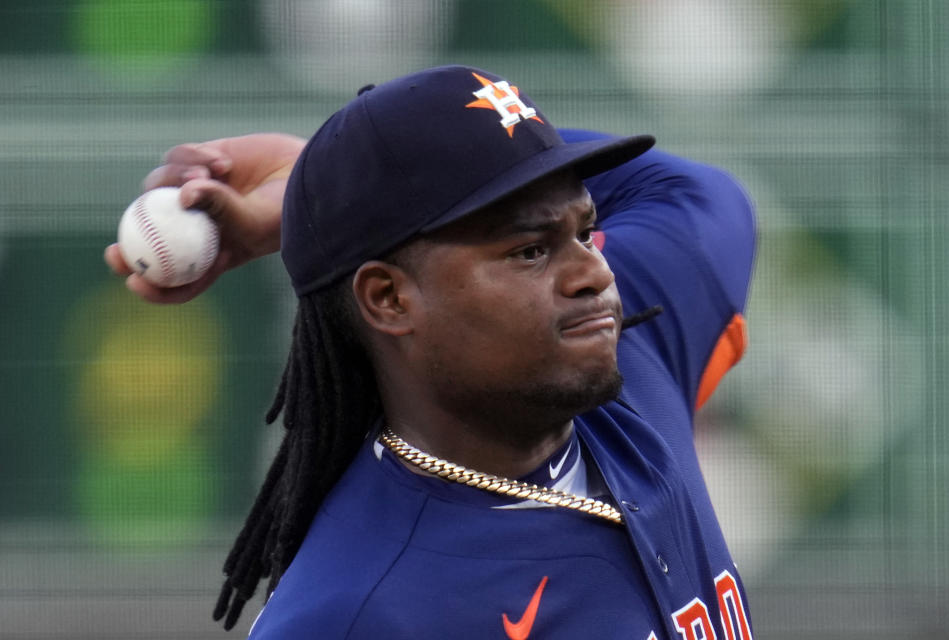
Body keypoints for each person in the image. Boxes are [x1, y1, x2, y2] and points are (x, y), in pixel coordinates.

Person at [106, 65, 756, 639]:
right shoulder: (354, 615)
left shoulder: (624, 352)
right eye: (531, 249)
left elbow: (696, 196)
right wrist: (329, 198)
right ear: (389, 298)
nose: (594, 272)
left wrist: (318, 188)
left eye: (586, 231)